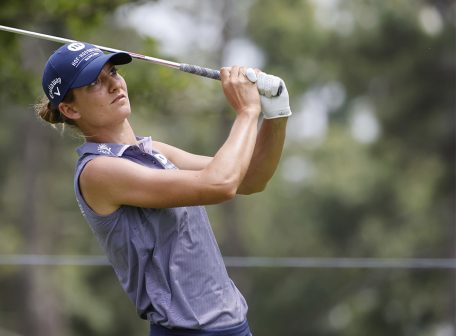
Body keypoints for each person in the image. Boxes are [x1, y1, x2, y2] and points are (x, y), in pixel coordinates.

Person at [36, 42, 291, 336]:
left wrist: (276, 114)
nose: (113, 84)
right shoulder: (98, 171)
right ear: (69, 108)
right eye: (95, 82)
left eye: (113, 72)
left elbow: (252, 179)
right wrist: (247, 112)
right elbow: (220, 184)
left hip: (234, 325)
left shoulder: (154, 150)